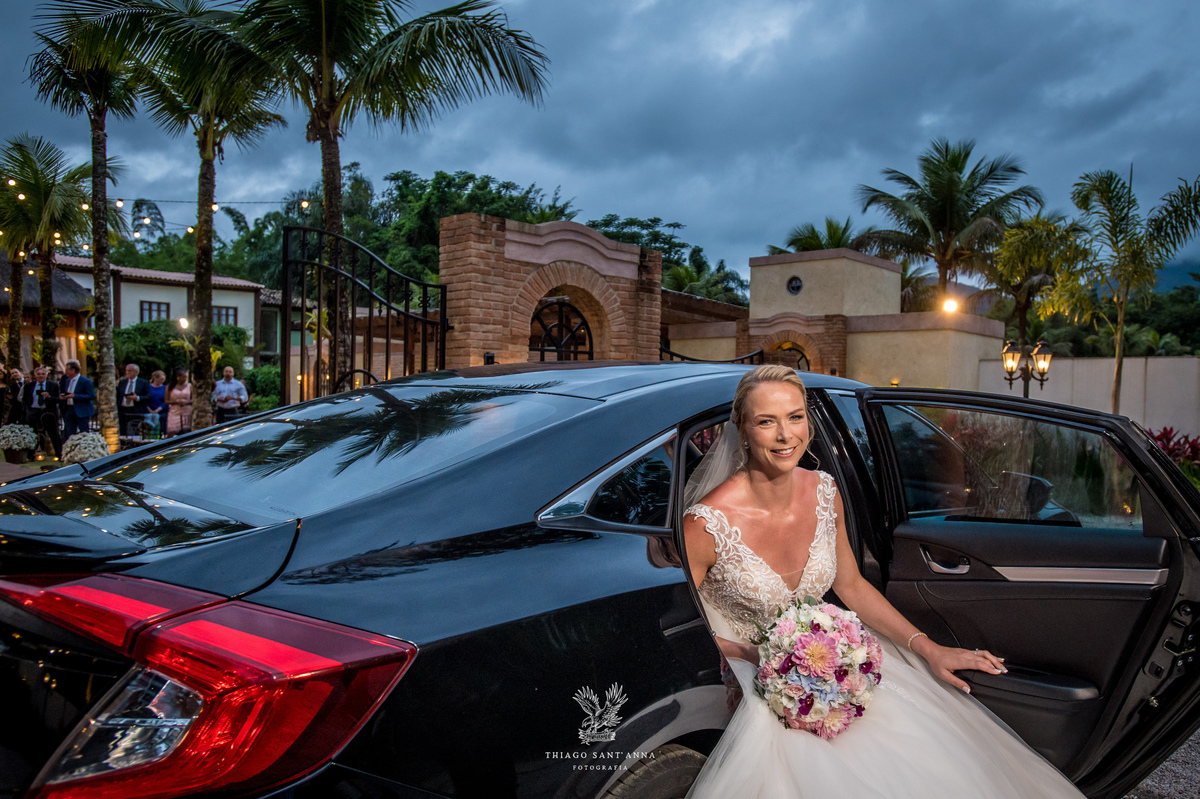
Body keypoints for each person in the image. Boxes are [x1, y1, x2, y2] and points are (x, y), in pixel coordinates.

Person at [681, 365, 1083, 798]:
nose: (785, 435)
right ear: (742, 428)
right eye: (766, 421)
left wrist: (930, 649)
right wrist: (761, 657)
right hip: (750, 676)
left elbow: (851, 586)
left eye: (795, 417)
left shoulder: (823, 489)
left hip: (829, 672)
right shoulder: (706, 524)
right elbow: (680, 624)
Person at [22, 366, 61, 459]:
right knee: (32, 434)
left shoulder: (53, 385)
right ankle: (31, 455)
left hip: (48, 412)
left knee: (53, 433)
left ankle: (59, 454)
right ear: (35, 375)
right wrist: (27, 410)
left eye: (43, 374)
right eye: (39, 374)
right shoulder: (28, 386)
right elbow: (24, 399)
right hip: (33, 411)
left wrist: (49, 397)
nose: (41, 376)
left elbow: (58, 399)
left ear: (46, 375)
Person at [59, 359, 96, 442]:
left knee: (84, 433)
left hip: (81, 410)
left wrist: (75, 396)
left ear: (73, 370)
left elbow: (91, 395)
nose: (66, 372)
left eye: (67, 370)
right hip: (69, 409)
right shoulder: (67, 380)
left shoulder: (85, 381)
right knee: (69, 433)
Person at [116, 363, 150, 437]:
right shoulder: (122, 382)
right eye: (126, 371)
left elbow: (148, 396)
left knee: (135, 429)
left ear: (136, 372)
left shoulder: (143, 382)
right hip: (123, 409)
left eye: (129, 371)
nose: (127, 373)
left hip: (136, 409)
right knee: (122, 429)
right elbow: (118, 395)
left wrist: (137, 398)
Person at [165, 367, 192, 437]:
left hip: (186, 411)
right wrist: (176, 402)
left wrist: (187, 402)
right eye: (183, 377)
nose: (185, 379)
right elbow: (166, 400)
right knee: (172, 431)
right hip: (174, 411)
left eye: (186, 377)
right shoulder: (170, 387)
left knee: (186, 431)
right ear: (178, 377)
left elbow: (194, 399)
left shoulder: (190, 386)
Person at [146, 370, 168, 438]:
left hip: (161, 412)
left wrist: (158, 410)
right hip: (149, 410)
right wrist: (149, 409)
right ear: (155, 378)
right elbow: (145, 400)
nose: (162, 381)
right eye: (161, 379)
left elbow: (166, 401)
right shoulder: (148, 387)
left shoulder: (165, 388)